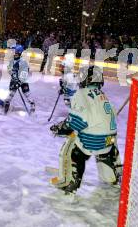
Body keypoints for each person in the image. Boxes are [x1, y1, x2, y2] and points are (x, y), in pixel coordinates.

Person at [50, 65, 122, 194]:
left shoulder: (82, 93)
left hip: (92, 140)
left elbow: (78, 121)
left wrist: (62, 128)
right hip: (109, 141)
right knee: (107, 146)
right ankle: (112, 176)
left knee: (71, 146)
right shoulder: (102, 94)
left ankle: (68, 181)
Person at [4, 44, 35, 114]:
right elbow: (9, 68)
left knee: (27, 93)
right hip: (14, 80)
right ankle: (7, 103)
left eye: (15, 51)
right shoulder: (12, 61)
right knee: (11, 93)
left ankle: (32, 105)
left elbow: (25, 73)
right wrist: (12, 73)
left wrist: (20, 81)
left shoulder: (23, 62)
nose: (13, 53)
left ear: (19, 52)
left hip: (22, 81)